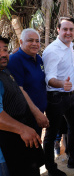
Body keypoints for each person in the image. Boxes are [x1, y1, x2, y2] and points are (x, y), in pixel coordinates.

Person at [42, 17, 74, 176]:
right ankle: (51, 169)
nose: (68, 32)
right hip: (56, 97)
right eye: (65, 29)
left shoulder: (69, 45)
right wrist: (62, 84)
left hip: (71, 96)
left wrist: (69, 87)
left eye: (71, 29)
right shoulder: (52, 50)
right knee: (51, 134)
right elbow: (49, 78)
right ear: (58, 30)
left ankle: (73, 159)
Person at [0, 36, 45, 176]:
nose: (3, 54)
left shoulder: (5, 70)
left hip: (19, 139)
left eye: (5, 50)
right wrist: (22, 129)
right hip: (6, 151)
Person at [7, 28, 49, 136]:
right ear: (21, 42)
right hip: (24, 117)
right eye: (30, 40)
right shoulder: (15, 60)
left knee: (35, 147)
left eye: (37, 41)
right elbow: (19, 89)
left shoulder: (38, 59)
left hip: (37, 115)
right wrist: (37, 113)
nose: (34, 44)